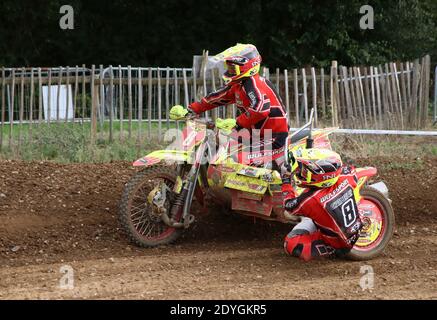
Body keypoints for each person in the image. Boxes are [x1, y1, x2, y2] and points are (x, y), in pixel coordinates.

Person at [185, 43, 294, 198]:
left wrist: (237, 123)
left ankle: (272, 196)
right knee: (218, 145)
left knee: (235, 160)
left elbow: (261, 108)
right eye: (228, 67)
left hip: (274, 136)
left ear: (247, 67)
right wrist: (192, 108)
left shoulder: (253, 83)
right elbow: (217, 97)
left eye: (232, 68)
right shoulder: (239, 84)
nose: (229, 71)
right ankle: (217, 192)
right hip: (255, 134)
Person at [283, 148, 363, 261]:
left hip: (339, 245)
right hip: (355, 227)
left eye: (306, 171)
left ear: (322, 176)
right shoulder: (346, 175)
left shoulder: (310, 200)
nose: (301, 173)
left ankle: (332, 251)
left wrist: (286, 181)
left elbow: (288, 205)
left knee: (291, 243)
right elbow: (350, 171)